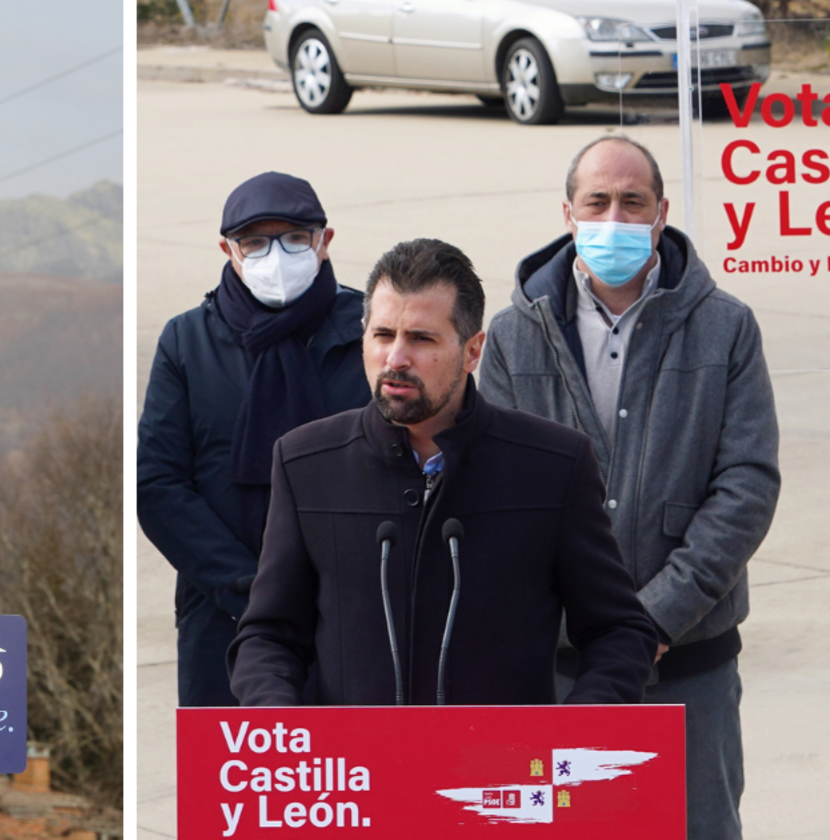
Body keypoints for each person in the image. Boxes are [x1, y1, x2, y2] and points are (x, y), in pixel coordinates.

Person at [478, 136, 779, 840]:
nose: (615, 216)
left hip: (690, 668)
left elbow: (747, 484)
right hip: (558, 671)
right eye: (598, 202)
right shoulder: (514, 337)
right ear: (569, 213)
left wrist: (653, 619)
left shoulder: (725, 328)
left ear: (662, 212)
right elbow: (494, 498)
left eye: (632, 202)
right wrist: (589, 625)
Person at [229, 238, 655, 707]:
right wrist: (281, 727)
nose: (396, 359)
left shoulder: (554, 463)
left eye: (421, 339)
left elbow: (619, 630)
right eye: (383, 335)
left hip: (501, 773)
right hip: (355, 772)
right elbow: (268, 636)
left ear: (473, 351)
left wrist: (571, 735)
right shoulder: (305, 462)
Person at [138, 171, 369, 706]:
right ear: (229, 250)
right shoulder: (187, 341)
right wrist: (252, 592)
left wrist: (339, 592)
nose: (276, 257)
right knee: (239, 778)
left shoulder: (370, 333)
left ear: (324, 241)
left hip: (351, 616)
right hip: (225, 615)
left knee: (351, 780)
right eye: (255, 243)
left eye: (294, 238)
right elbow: (159, 486)